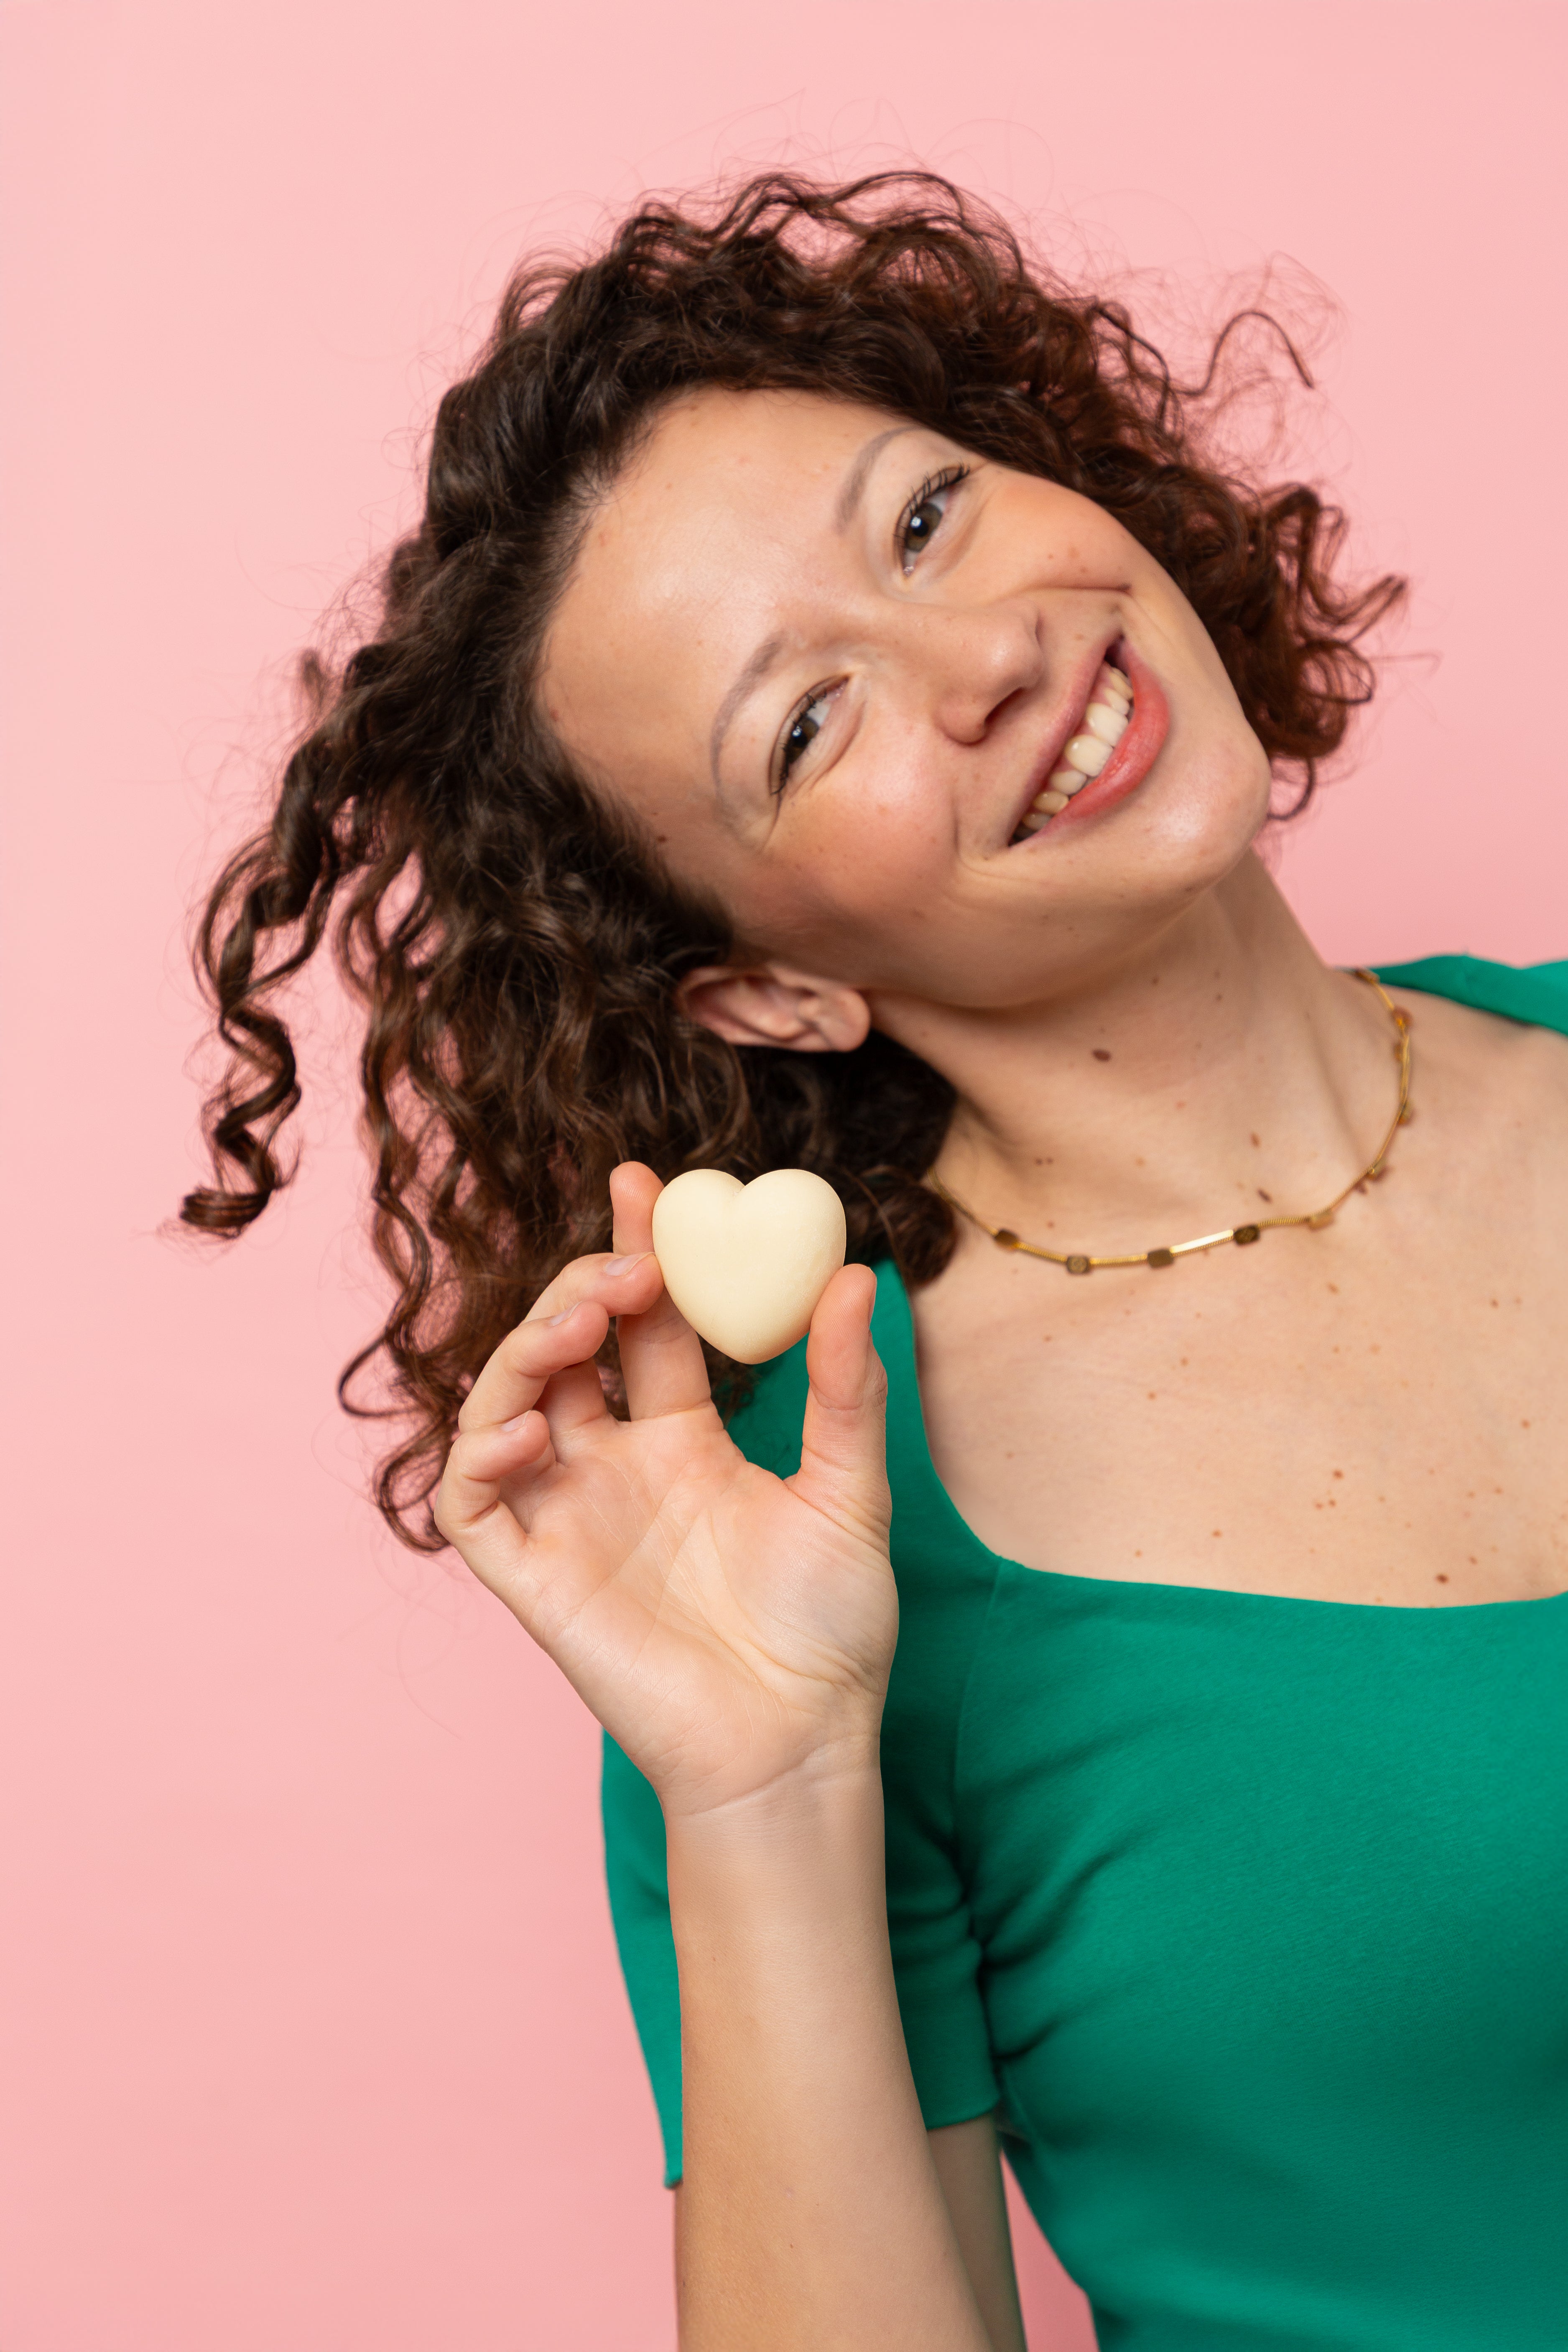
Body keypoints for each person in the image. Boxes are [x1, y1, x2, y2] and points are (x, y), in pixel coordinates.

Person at [184, 174, 1568, 2350]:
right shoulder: (803, 1548)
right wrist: (760, 1787)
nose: (986, 651)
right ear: (766, 994)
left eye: (920, 521)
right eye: (806, 726)